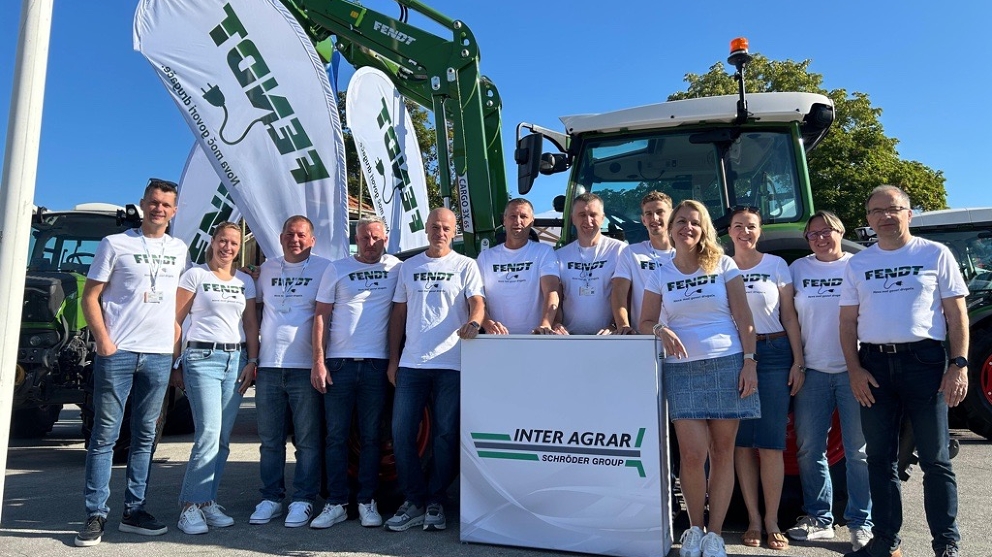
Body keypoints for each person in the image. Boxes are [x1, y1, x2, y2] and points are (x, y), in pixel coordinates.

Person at [839, 186, 968, 557]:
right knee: (879, 459)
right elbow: (847, 323)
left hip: (925, 363)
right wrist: (854, 370)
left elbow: (956, 314)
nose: (885, 216)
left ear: (908, 213)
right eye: (876, 211)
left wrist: (958, 365)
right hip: (874, 366)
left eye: (893, 209)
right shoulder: (858, 264)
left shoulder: (935, 253)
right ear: (868, 220)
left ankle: (946, 544)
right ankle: (885, 541)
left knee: (935, 458)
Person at [639, 200, 759, 557]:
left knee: (722, 453)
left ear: (703, 227)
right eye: (681, 221)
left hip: (727, 363)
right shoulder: (659, 272)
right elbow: (644, 321)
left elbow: (744, 316)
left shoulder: (724, 265)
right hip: (681, 369)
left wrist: (750, 362)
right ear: (671, 227)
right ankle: (694, 529)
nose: (686, 227)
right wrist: (661, 329)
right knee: (692, 455)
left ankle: (715, 535)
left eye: (694, 222)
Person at [75, 178, 188, 547]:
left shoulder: (178, 249)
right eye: (153, 202)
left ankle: (134, 510)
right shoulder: (115, 244)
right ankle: (96, 513)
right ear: (143, 204)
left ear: (174, 211)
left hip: (157, 356)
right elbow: (90, 297)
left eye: (166, 205)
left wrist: (174, 353)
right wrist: (104, 343)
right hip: (118, 353)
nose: (159, 209)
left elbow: (175, 306)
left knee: (145, 438)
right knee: (104, 436)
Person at [385, 208, 484, 532]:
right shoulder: (408, 267)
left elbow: (478, 303)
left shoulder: (466, 265)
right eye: (435, 226)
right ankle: (414, 500)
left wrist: (474, 323)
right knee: (401, 434)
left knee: (444, 436)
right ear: (426, 229)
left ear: (453, 231)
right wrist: (393, 359)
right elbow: (398, 315)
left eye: (446, 227)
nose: (440, 231)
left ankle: (436, 502)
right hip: (412, 364)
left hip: (451, 364)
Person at [787, 210, 872, 552]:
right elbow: (786, 315)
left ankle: (861, 522)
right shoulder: (797, 269)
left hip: (854, 370)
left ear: (841, 232)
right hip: (813, 371)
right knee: (809, 448)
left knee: (858, 451)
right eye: (813, 234)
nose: (821, 238)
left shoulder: (859, 265)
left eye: (827, 232)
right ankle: (820, 518)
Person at [309, 215, 400, 529]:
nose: (370, 243)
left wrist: (394, 361)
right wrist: (318, 362)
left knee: (372, 437)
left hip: (376, 364)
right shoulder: (338, 268)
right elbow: (321, 316)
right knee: (335, 437)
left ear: (385, 239)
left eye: (376, 237)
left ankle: (366, 501)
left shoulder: (396, 268)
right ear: (356, 240)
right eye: (365, 238)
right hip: (339, 365)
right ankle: (335, 502)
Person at [172, 222, 259, 535]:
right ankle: (189, 507)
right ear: (213, 241)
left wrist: (252, 360)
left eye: (234, 243)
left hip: (235, 362)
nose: (228, 248)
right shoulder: (195, 275)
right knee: (208, 433)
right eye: (223, 241)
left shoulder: (245, 281)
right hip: (201, 359)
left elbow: (250, 324)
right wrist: (174, 364)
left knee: (222, 439)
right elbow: (176, 321)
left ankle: (207, 500)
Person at [728, 207, 805, 552]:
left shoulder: (776, 265)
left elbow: (788, 315)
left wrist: (798, 361)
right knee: (742, 443)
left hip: (774, 355)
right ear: (728, 231)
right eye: (739, 226)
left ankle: (772, 520)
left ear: (760, 231)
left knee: (772, 442)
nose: (746, 231)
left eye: (752, 226)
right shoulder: (720, 266)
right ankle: (753, 520)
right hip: (733, 358)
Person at [249, 216, 332, 528]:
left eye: (301, 235)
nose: (294, 239)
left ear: (311, 240)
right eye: (289, 234)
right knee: (270, 440)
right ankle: (271, 497)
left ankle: (304, 499)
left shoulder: (326, 268)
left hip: (305, 368)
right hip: (270, 367)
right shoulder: (267, 269)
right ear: (280, 237)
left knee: (308, 440)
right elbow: (252, 308)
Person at [476, 198, 560, 334]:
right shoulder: (486, 257)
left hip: (535, 338)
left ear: (532, 221)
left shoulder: (544, 252)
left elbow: (551, 291)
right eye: (513, 216)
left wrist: (545, 324)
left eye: (524, 216)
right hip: (496, 339)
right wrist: (487, 323)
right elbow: (476, 298)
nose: (518, 221)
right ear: (504, 220)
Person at [555, 192, 626, 334]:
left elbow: (627, 295)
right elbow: (557, 297)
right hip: (569, 337)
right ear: (573, 219)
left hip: (609, 338)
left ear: (602, 218)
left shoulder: (620, 250)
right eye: (582, 215)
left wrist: (615, 325)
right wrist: (556, 323)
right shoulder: (560, 255)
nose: (588, 221)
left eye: (593, 215)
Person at [611, 191, 674, 335]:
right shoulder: (631, 252)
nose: (654, 218)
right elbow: (619, 291)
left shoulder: (685, 253)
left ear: (671, 215)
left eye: (660, 212)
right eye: (649, 214)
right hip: (644, 337)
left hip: (680, 334)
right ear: (643, 220)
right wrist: (623, 325)